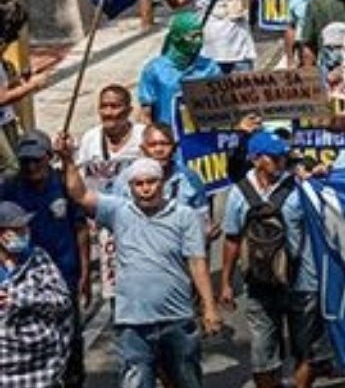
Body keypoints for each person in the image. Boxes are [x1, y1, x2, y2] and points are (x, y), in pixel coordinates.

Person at [54, 142, 222, 388]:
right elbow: (80, 195)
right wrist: (68, 160)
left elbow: (197, 263)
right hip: (133, 322)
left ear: (162, 183)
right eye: (138, 184)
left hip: (176, 318)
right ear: (130, 187)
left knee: (186, 380)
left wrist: (209, 307)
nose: (145, 189)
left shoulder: (184, 216)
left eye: (151, 182)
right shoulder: (118, 211)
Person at [218, 131, 324, 388]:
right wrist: (226, 283)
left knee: (308, 352)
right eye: (274, 158)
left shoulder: (301, 185)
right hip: (259, 283)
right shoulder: (239, 193)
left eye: (283, 157)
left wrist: (322, 176)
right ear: (256, 160)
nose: (281, 162)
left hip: (303, 282)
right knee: (262, 358)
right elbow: (232, 239)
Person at [0, 200, 74, 388]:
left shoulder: (38, 259)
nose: (24, 233)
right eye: (17, 230)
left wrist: (19, 299)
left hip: (42, 366)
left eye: (25, 228)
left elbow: (62, 301)